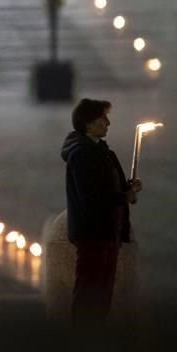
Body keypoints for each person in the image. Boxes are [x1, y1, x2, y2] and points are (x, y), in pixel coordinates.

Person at [61, 98, 142, 327]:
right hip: (93, 232)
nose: (108, 123)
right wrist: (123, 196)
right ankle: (83, 335)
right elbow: (91, 196)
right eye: (102, 118)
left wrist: (128, 188)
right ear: (87, 123)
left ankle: (96, 333)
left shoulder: (102, 151)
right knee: (90, 288)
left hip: (108, 230)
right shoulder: (82, 154)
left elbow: (108, 187)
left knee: (103, 288)